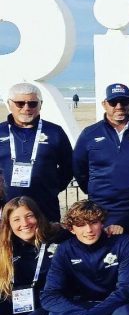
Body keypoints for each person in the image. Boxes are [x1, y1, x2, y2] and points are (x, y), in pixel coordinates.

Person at [41, 200, 129, 315]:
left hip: (113, 303)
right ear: (71, 229)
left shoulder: (122, 242)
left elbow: (126, 289)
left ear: (102, 223)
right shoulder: (64, 250)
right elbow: (49, 295)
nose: (89, 230)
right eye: (81, 225)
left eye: (94, 223)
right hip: (81, 304)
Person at [0, 197, 68, 315]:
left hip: (54, 302)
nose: (24, 223)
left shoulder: (59, 237)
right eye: (16, 219)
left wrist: (111, 228)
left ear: (38, 216)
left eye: (29, 216)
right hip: (25, 301)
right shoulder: (7, 246)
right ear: (8, 224)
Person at [73, 83, 129, 234]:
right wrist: (95, 192)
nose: (119, 106)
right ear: (104, 104)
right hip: (101, 211)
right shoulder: (89, 133)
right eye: (113, 102)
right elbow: (78, 168)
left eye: (124, 102)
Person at [0, 83, 72, 222]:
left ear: (40, 105)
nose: (26, 108)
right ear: (9, 104)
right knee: (8, 244)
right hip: (8, 207)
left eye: (32, 104)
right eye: (20, 103)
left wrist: (52, 188)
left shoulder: (55, 132)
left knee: (46, 243)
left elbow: (69, 167)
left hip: (45, 207)